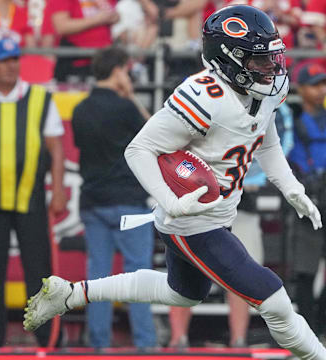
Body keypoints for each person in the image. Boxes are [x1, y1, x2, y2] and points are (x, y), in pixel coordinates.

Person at [24, 6, 326, 359]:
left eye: (273, 58)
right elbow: (139, 149)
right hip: (193, 219)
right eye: (260, 61)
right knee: (274, 300)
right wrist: (170, 201)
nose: (272, 69)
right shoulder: (204, 97)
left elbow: (266, 139)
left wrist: (291, 188)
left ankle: (71, 294)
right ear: (229, 59)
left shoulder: (267, 89)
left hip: (217, 216)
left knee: (181, 294)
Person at [168, 101, 295, 348]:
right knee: (184, 276)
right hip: (198, 207)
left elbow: (267, 151)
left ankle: (238, 339)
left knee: (242, 274)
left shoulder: (252, 108)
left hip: (238, 206)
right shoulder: (201, 105)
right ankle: (178, 338)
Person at [0, 38, 67, 347]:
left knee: (39, 273)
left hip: (31, 198)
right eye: (5, 60)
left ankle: (46, 337)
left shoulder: (39, 97)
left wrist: (59, 189)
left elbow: (56, 147)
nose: (11, 65)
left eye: (15, 59)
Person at [71, 46, 156, 350]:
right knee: (138, 277)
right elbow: (156, 136)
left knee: (97, 278)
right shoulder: (125, 108)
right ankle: (145, 346)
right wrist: (131, 95)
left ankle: (98, 345)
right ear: (118, 70)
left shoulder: (80, 109)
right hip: (129, 202)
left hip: (93, 201)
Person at [287, 63, 326, 334]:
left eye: (323, 84)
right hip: (307, 198)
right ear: (300, 89)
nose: (321, 90)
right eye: (314, 84)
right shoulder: (290, 119)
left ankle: (321, 327)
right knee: (305, 269)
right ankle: (307, 331)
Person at [49, 0, 119, 82]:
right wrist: (97, 20)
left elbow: (115, 15)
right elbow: (61, 26)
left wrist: (111, 15)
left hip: (104, 61)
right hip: (76, 62)